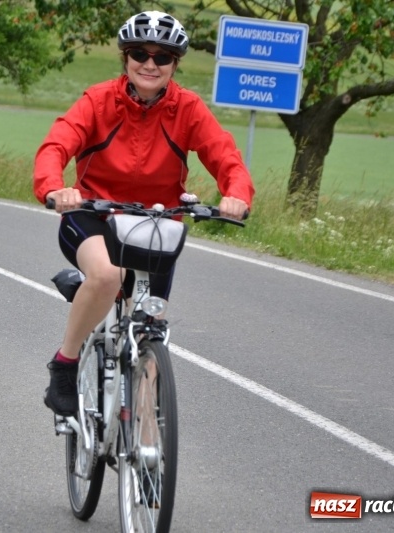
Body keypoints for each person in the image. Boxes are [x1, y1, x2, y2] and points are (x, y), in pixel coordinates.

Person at [33, 11, 255, 416]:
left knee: (151, 335)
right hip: (92, 216)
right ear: (125, 57)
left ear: (175, 64)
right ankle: (64, 365)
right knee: (108, 275)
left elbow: (226, 158)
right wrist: (54, 188)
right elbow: (56, 145)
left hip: (155, 225)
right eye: (140, 53)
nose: (150, 64)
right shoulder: (98, 101)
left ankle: (146, 448)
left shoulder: (188, 109)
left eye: (163, 57)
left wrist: (236, 194)